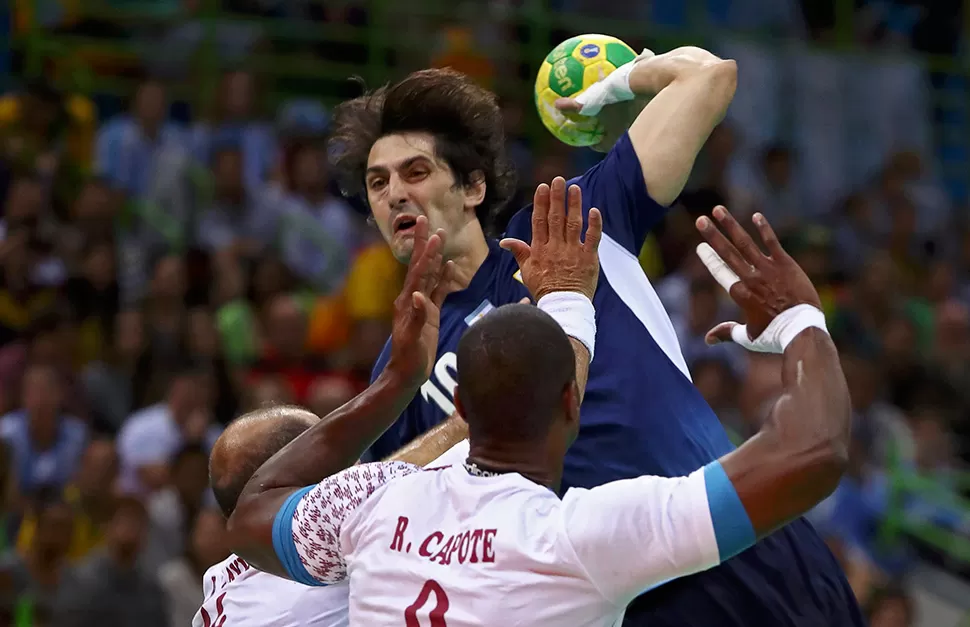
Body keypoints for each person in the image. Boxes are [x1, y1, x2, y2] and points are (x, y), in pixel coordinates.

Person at [326, 51, 862, 624]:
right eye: (377, 184)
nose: (394, 195)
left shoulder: (565, 221)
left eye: (415, 172)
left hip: (752, 536)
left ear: (473, 187)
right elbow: (367, 509)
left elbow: (708, 77)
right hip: (634, 600)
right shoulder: (405, 363)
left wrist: (620, 84)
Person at [228, 203, 853, 626]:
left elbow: (257, 507)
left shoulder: (375, 502)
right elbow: (814, 451)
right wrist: (800, 320)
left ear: (461, 407)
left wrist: (396, 381)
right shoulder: (580, 539)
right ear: (572, 402)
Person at [195, 214, 473, 627]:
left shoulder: (226, 581)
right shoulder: (329, 554)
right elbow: (373, 494)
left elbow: (380, 483)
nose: (356, 464)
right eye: (330, 448)